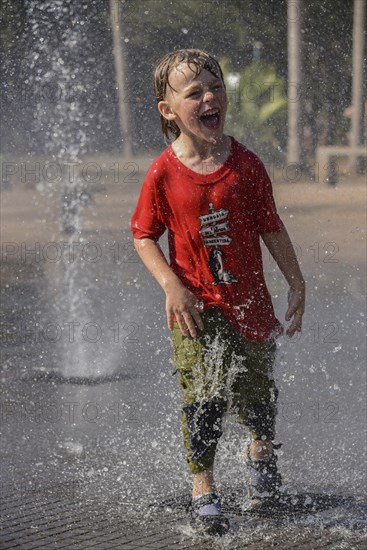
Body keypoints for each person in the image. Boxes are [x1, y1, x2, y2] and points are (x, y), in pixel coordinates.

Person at [131, 49, 305, 536]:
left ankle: (261, 457)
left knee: (257, 397)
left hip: (251, 305)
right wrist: (171, 285)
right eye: (194, 93)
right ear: (168, 111)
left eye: (216, 88)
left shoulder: (247, 165)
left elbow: (271, 227)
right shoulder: (164, 172)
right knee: (202, 397)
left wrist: (297, 281)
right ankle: (203, 489)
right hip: (194, 309)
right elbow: (143, 234)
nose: (210, 98)